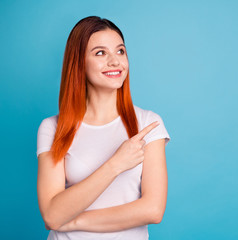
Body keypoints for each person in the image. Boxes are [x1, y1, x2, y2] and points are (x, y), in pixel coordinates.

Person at [36, 16, 170, 240]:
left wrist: (76, 221)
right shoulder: (53, 128)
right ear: (78, 62)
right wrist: (116, 164)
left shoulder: (148, 124)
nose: (115, 61)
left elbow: (153, 210)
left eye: (120, 51)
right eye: (100, 53)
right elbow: (52, 215)